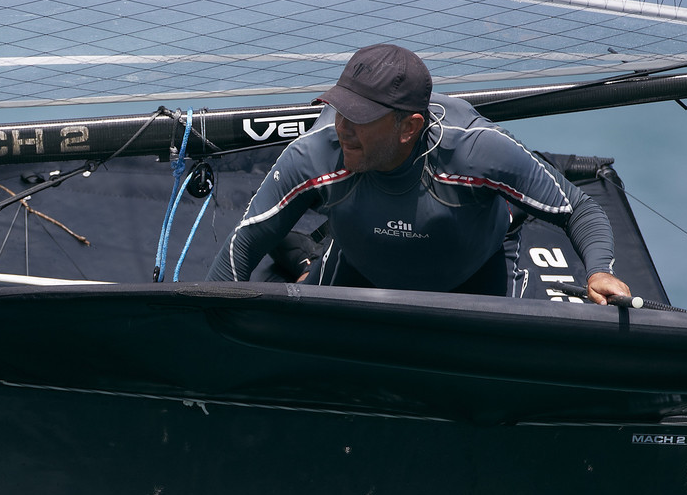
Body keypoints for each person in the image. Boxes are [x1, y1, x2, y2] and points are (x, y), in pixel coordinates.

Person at [206, 44, 632, 304]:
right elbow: (241, 245)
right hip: (360, 264)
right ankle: (305, 261)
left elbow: (578, 209)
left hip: (472, 274)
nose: (343, 129)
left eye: (361, 119)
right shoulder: (315, 154)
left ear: (409, 127)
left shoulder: (477, 152)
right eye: (339, 111)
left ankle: (303, 258)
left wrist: (598, 271)